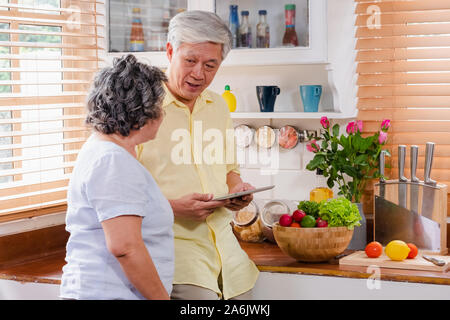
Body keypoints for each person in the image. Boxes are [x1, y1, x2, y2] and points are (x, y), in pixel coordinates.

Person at [137, 10, 259, 300]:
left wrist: (236, 191)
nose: (198, 74)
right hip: (176, 258)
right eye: (190, 61)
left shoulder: (218, 106)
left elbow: (230, 169)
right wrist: (171, 207)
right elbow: (118, 193)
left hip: (230, 261)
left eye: (210, 65)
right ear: (170, 51)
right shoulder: (140, 111)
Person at [60, 54, 174, 300]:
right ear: (144, 112)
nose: (162, 115)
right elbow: (125, 247)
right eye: (160, 107)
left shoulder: (107, 152)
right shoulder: (112, 160)